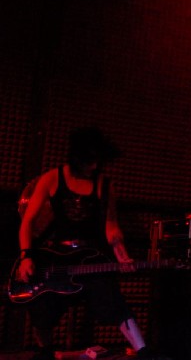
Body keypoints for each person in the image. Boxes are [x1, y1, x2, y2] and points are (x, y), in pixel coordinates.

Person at [16, 126, 164, 360]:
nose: (94, 167)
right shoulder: (52, 179)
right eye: (89, 161)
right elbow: (27, 222)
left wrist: (121, 254)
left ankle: (144, 352)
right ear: (77, 157)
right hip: (57, 257)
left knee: (113, 299)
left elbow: (111, 226)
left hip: (91, 257)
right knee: (42, 304)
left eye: (98, 161)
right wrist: (26, 256)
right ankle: (44, 352)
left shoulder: (104, 184)